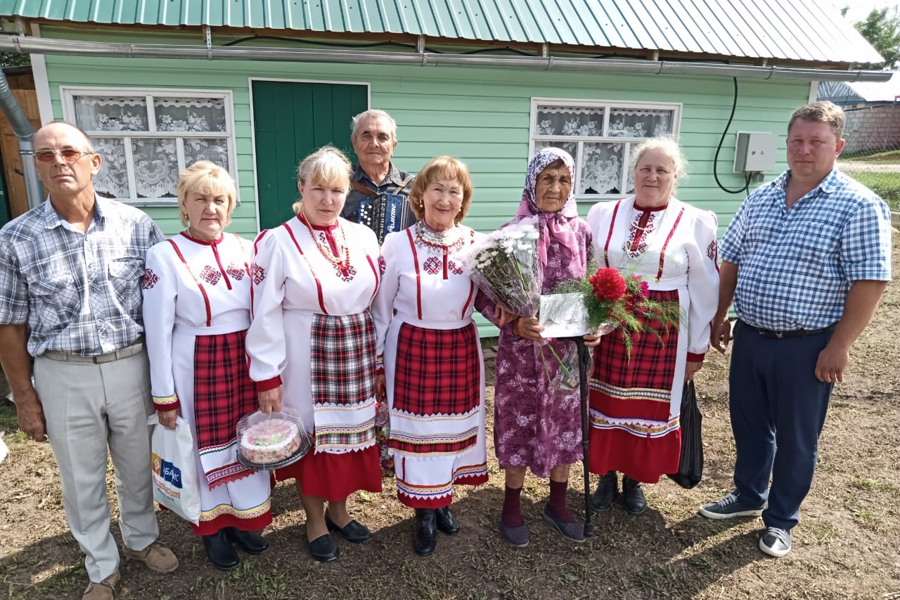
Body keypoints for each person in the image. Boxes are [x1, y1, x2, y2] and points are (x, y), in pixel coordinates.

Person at [699, 101, 891, 558]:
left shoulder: (859, 205)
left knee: (797, 437)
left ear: (838, 146)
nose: (804, 150)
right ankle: (748, 495)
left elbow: (871, 280)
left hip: (807, 345)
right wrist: (720, 315)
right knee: (748, 425)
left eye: (816, 142)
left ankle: (781, 518)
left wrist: (840, 344)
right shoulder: (761, 197)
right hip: (751, 336)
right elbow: (732, 260)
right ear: (786, 144)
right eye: (797, 141)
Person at [0, 122, 178, 600]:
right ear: (36, 167)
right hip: (62, 372)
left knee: (139, 464)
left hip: (131, 365)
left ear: (93, 162)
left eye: (69, 152)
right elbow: (10, 325)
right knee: (81, 477)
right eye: (45, 155)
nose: (59, 162)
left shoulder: (137, 226)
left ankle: (141, 540)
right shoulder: (16, 238)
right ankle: (101, 564)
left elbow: (163, 306)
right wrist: (24, 396)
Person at [246, 146, 382, 563]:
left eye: (337, 190)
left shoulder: (362, 236)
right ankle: (314, 519)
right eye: (318, 188)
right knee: (315, 438)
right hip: (305, 354)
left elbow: (376, 302)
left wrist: (377, 359)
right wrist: (268, 376)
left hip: (354, 349)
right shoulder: (278, 241)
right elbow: (263, 311)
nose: (327, 199)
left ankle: (339, 511)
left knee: (347, 436)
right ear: (301, 188)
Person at [142, 161, 272, 571]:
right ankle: (212, 529)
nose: (210, 208)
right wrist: (164, 394)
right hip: (195, 363)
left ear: (230, 206)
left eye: (219, 199)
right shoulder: (164, 255)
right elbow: (157, 331)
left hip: (243, 360)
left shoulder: (248, 248)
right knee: (202, 444)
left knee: (247, 438)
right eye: (200, 198)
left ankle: (243, 519)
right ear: (184, 203)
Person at [585, 137, 719, 515]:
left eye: (662, 170)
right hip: (611, 323)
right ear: (633, 171)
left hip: (664, 331)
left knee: (649, 406)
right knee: (605, 399)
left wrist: (697, 348)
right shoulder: (601, 213)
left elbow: (706, 289)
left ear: (676, 176)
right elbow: (588, 269)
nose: (652, 176)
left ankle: (635, 480)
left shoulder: (696, 221)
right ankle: (606, 476)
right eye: (645, 168)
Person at [475, 147, 601, 547]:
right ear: (532, 182)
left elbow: (597, 288)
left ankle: (557, 505)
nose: (556, 187)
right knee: (519, 424)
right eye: (547, 178)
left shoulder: (581, 234)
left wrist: (595, 326)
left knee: (565, 426)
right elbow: (481, 294)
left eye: (564, 179)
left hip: (566, 355)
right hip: (521, 355)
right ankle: (511, 506)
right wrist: (512, 320)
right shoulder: (510, 233)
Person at [372, 156, 488, 557]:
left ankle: (442, 500)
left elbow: (491, 300)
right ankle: (423, 511)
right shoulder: (396, 244)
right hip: (410, 347)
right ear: (420, 196)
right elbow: (381, 309)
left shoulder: (477, 244)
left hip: (459, 344)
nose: (444, 198)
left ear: (463, 200)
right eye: (436, 188)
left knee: (453, 429)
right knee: (419, 432)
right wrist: (376, 360)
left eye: (453, 191)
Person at [342, 109, 415, 243]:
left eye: (382, 137)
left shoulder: (414, 187)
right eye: (366, 136)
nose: (374, 143)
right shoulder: (338, 183)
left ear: (393, 145)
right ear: (354, 142)